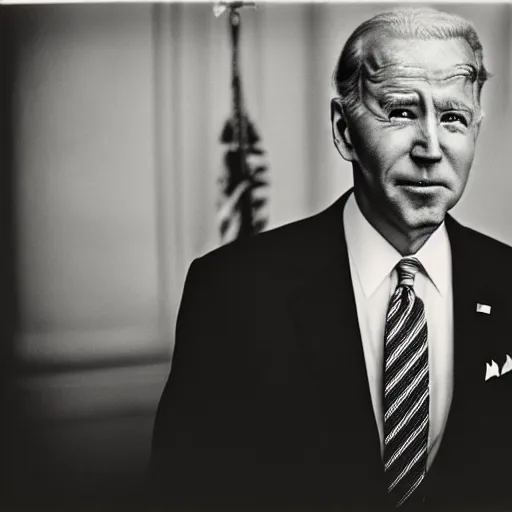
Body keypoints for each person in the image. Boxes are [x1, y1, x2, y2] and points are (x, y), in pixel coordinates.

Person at [151, 8, 512, 511]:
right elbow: (187, 491)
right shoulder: (232, 291)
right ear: (344, 130)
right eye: (402, 112)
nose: (431, 147)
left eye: (453, 117)